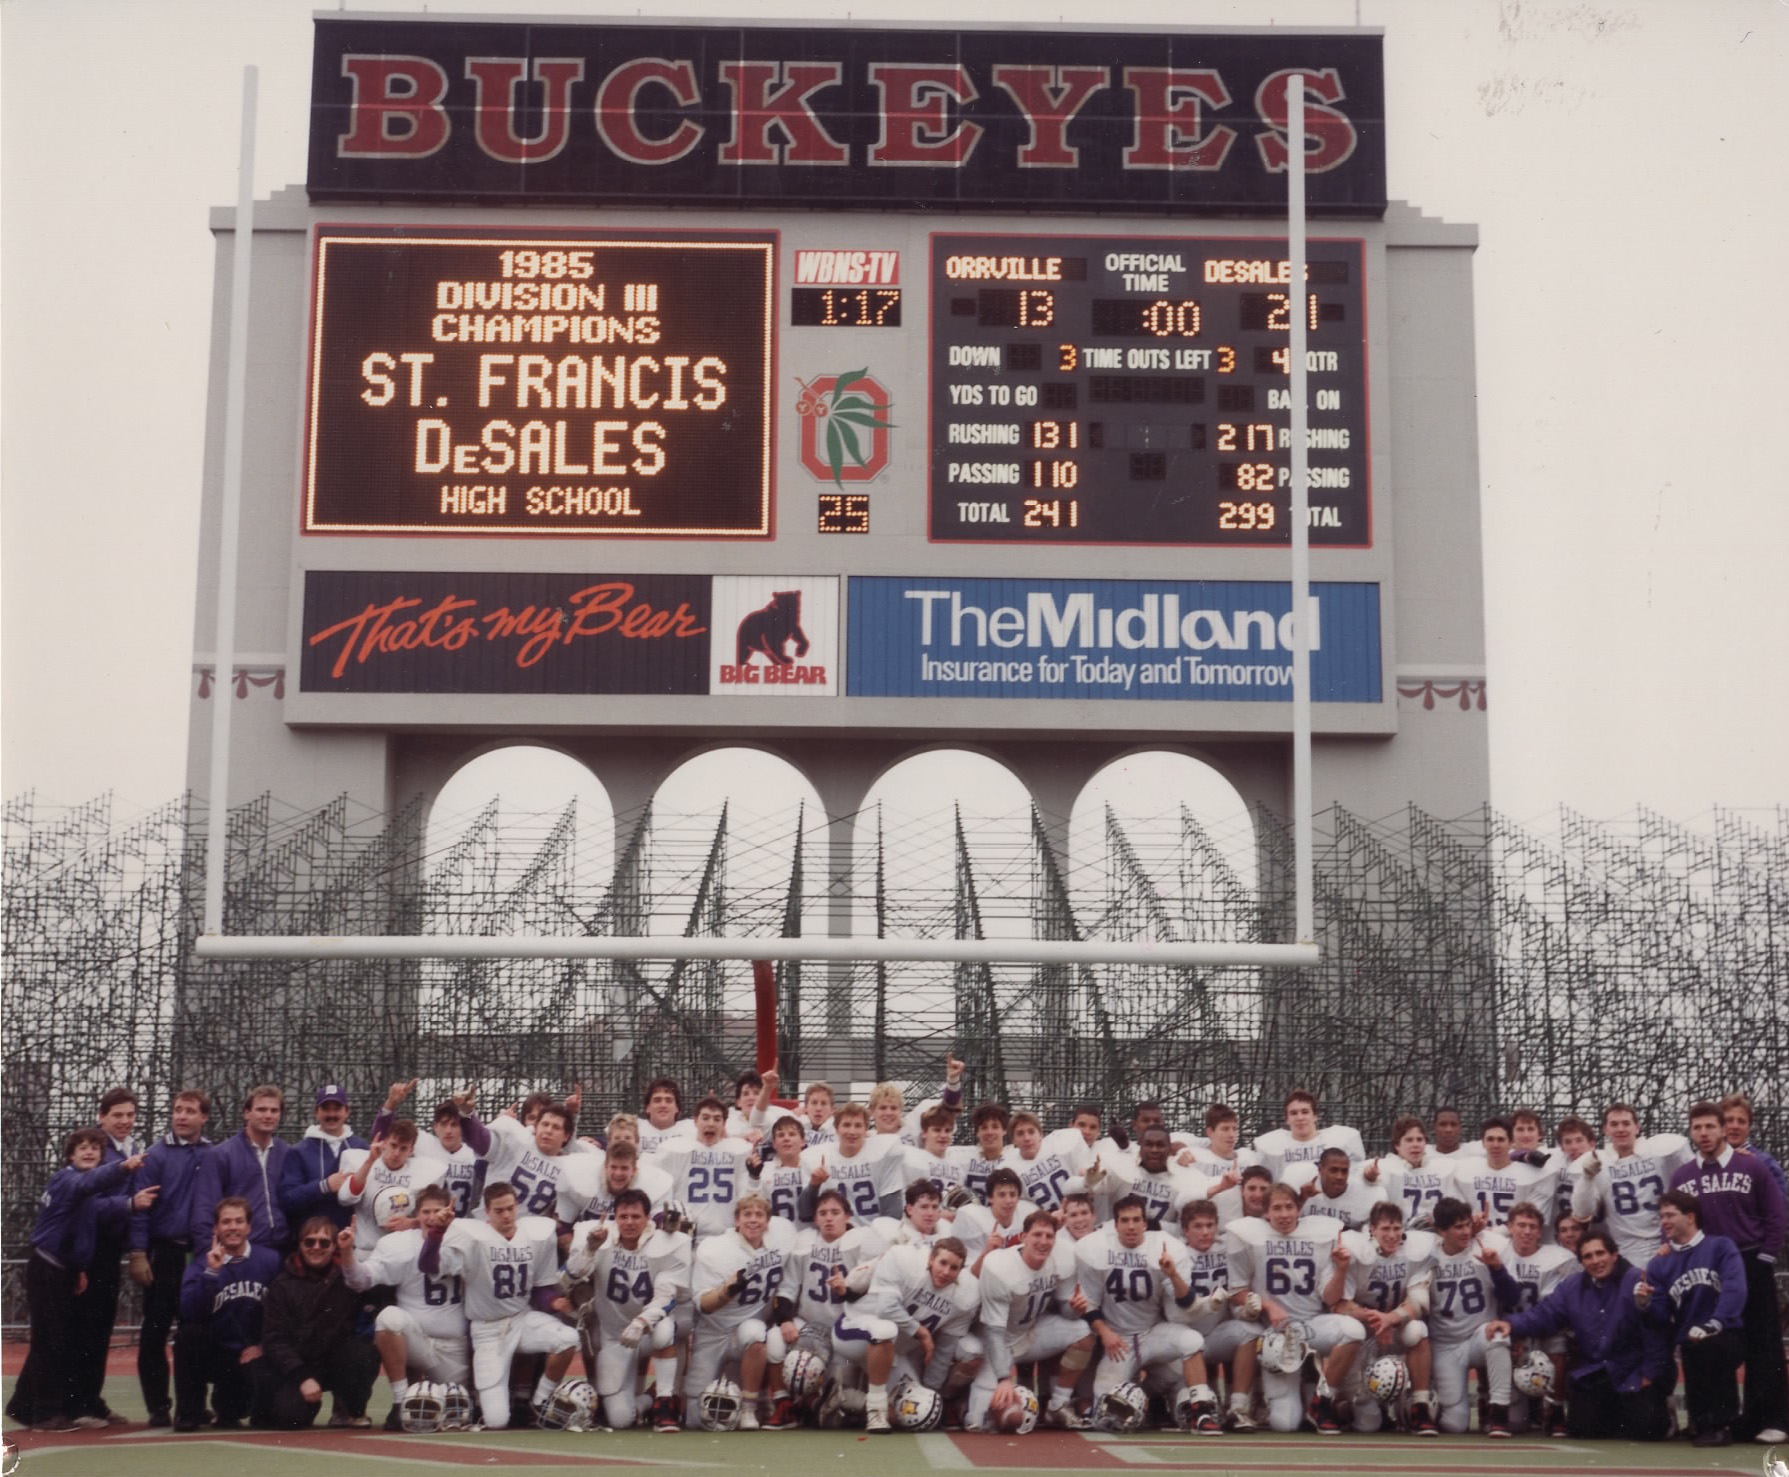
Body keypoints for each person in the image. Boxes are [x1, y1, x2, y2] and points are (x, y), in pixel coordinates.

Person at [6, 1130, 147, 1432]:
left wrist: (81, 1268)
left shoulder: (84, 1191)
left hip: (63, 1268)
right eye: (82, 1148)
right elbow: (89, 1183)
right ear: (70, 1155)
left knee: (55, 1338)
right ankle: (44, 1413)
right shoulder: (67, 1179)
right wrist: (122, 1167)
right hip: (47, 1267)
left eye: (95, 1149)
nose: (89, 1153)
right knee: (50, 1341)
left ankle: (22, 1405)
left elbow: (88, 1223)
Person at [1668, 1100, 1788, 1444]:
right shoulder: (1684, 1175)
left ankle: (1774, 1420)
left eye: (1710, 1127)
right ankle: (1717, 1420)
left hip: (1750, 1260)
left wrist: (1766, 1256)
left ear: (1723, 1130)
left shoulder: (1752, 1167)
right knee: (1710, 1341)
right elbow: (1675, 1220)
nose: (1704, 1134)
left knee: (1763, 1343)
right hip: (1708, 1268)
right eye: (1697, 1128)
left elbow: (1776, 1214)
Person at [421, 1179, 579, 1429]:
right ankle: (501, 1406)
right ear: (487, 1212)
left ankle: (540, 1402)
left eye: (510, 1208)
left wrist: (554, 1302)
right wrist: (437, 1233)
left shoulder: (533, 1236)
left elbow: (540, 1289)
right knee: (496, 1420)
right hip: (487, 1330)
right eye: (499, 1210)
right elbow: (429, 1267)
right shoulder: (472, 1238)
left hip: (521, 1318)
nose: (506, 1215)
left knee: (569, 1338)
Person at [1484, 1229, 1670, 1440]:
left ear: (1614, 1255)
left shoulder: (1637, 1280)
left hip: (1632, 1372)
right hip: (1597, 1373)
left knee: (1649, 1428)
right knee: (1582, 1428)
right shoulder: (1572, 1287)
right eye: (1588, 1256)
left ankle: (1659, 1407)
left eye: (1600, 1253)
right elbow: (1545, 1314)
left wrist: (1649, 1374)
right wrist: (1510, 1323)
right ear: (1581, 1261)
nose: (1595, 1261)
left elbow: (1658, 1329)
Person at [1223, 1183, 1364, 1434]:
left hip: (1311, 1325)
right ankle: (1305, 1378)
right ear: (1265, 1213)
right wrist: (1268, 1305)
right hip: (1276, 1334)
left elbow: (1331, 1298)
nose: (1284, 1214)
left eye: (1289, 1207)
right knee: (1285, 1424)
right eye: (1276, 1208)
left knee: (1353, 1331)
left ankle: (1323, 1400)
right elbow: (1236, 1292)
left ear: (1299, 1209)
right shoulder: (1250, 1237)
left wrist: (1341, 1269)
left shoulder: (1322, 1237)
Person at [1078, 1194, 1222, 1433]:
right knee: (1107, 1412)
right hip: (1119, 1340)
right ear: (1115, 1225)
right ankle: (1145, 1399)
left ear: (1145, 1223)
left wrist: (1173, 1274)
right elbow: (1088, 1303)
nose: (1131, 1226)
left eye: (1136, 1220)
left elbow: (1186, 1302)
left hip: (1152, 1332)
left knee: (1192, 1341)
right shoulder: (1096, 1248)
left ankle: (1201, 1411)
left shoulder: (1164, 1247)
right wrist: (1105, 1333)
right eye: (1125, 1220)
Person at [339, 1184, 471, 1428]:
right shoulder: (399, 1244)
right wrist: (347, 1253)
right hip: (417, 1342)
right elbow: (360, 1281)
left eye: (438, 1211)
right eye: (426, 1212)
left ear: (450, 1211)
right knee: (388, 1318)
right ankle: (401, 1401)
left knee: (461, 1409)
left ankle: (420, 1392)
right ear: (416, 1216)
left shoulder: (466, 1240)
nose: (432, 1217)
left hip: (455, 1348)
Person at [563, 1188, 692, 1433]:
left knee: (665, 1330)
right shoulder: (598, 1237)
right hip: (614, 1336)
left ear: (647, 1219)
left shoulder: (667, 1244)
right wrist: (589, 1249)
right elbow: (568, 1278)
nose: (629, 1222)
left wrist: (641, 1322)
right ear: (614, 1218)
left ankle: (666, 1401)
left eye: (636, 1216)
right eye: (623, 1217)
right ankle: (648, 1399)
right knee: (620, 1420)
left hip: (647, 1329)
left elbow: (667, 1298)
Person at [1636, 1189, 1749, 1448]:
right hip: (1690, 1339)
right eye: (1661, 1216)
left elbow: (1734, 1286)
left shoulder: (1720, 1246)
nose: (1663, 1221)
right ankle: (1701, 1421)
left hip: (1726, 1332)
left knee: (1711, 1345)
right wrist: (1646, 1304)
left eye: (1670, 1215)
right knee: (1695, 1346)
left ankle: (1720, 1424)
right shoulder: (1659, 1264)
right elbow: (1663, 1316)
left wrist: (1716, 1321)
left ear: (1690, 1217)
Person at [128, 1088, 213, 1427]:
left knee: (196, 1331)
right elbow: (140, 1211)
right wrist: (137, 1253)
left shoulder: (213, 1154)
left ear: (203, 1117)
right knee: (155, 1330)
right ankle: (158, 1406)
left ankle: (193, 1404)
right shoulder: (155, 1156)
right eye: (177, 1109)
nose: (181, 1116)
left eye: (190, 1110)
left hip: (201, 1254)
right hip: (165, 1252)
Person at [966, 1209, 1096, 1430]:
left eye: (1049, 1236)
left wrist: (1075, 1308)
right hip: (999, 1343)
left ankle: (1058, 1405)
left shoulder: (1062, 1257)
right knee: (983, 1422)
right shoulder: (1000, 1266)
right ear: (1023, 1237)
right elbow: (994, 1331)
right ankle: (964, 1403)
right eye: (1037, 1235)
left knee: (1082, 1331)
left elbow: (1066, 1311)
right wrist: (1003, 1379)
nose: (1043, 1241)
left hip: (1032, 1333)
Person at [832, 1237, 980, 1430]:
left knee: (916, 1412)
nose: (946, 1272)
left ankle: (844, 1400)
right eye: (942, 1263)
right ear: (930, 1259)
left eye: (954, 1268)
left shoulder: (966, 1295)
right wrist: (921, 1332)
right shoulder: (905, 1260)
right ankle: (875, 1411)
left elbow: (944, 1352)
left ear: (961, 1271)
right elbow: (886, 1309)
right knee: (886, 1329)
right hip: (855, 1332)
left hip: (893, 1355)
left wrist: (930, 1392)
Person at [249, 1217, 379, 1428]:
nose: (316, 1247)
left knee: (364, 1353)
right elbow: (275, 1340)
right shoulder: (282, 1285)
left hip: (336, 1361)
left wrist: (349, 1253)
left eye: (324, 1242)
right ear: (300, 1245)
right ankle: (303, 1404)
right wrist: (302, 1378)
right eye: (309, 1242)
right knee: (288, 1418)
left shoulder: (349, 1276)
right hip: (300, 1365)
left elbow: (376, 1294)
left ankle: (349, 1408)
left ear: (334, 1245)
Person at [1326, 1199, 1437, 1434]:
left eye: (1397, 1228)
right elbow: (1339, 1304)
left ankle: (1419, 1404)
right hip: (1363, 1335)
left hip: (1394, 1328)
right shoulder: (1355, 1250)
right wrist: (1375, 1319)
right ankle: (1343, 1404)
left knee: (1418, 1330)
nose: (1392, 1235)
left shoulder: (1415, 1252)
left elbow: (1418, 1302)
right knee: (1368, 1424)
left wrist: (1390, 1319)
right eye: (1385, 1229)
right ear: (1372, 1230)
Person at [173, 1197, 280, 1432]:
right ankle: (189, 1412)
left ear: (249, 1227)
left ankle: (226, 1406)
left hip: (253, 1353)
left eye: (239, 1221)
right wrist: (212, 1273)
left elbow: (283, 1312)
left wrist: (262, 1345)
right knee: (188, 1335)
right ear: (216, 1228)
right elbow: (189, 1312)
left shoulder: (270, 1260)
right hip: (217, 1352)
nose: (233, 1227)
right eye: (226, 1222)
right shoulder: (202, 1264)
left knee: (245, 1411)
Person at [685, 1193, 789, 1429]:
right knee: (694, 1418)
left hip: (746, 1332)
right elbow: (703, 1304)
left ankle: (751, 1409)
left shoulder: (780, 1241)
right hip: (714, 1332)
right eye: (747, 1215)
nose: (753, 1220)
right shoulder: (717, 1249)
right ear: (737, 1221)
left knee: (756, 1332)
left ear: (768, 1221)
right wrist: (726, 1291)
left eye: (759, 1215)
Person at [1424, 1196, 1514, 1436]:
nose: (1466, 1231)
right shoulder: (1427, 1255)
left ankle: (1498, 1413)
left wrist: (1497, 1269)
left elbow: (1512, 1297)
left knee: (1498, 1336)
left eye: (1467, 1224)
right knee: (1455, 1424)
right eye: (1458, 1227)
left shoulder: (1485, 1247)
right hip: (1445, 1344)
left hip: (1478, 1335)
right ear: (1441, 1231)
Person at [1569, 1102, 1692, 1265]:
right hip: (1627, 1248)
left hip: (1668, 1240)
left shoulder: (1659, 1151)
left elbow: (1693, 1175)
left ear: (1637, 1128)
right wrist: (1587, 1178)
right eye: (1614, 1124)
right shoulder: (1598, 1162)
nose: (1620, 1129)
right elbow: (1582, 1212)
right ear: (1605, 1129)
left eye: (1626, 1123)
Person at [189, 1084, 292, 1250]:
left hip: (282, 1248)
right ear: (247, 1113)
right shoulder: (221, 1155)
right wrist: (207, 1251)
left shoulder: (286, 1153)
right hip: (239, 1250)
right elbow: (205, 1208)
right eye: (261, 1110)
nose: (268, 1115)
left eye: (274, 1111)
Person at [797, 1102, 905, 1229]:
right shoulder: (818, 1157)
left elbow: (893, 1212)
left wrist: (880, 1238)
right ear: (836, 1129)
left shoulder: (883, 1153)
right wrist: (814, 1186)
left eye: (858, 1126)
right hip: (835, 1236)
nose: (852, 1131)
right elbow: (805, 1214)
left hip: (871, 1234)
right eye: (846, 1125)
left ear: (866, 1130)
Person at [279, 1084, 369, 1235]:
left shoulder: (361, 1147)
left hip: (353, 1241)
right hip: (314, 1243)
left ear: (347, 1111)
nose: (331, 1114)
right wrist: (324, 1186)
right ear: (316, 1112)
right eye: (326, 1108)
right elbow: (288, 1200)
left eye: (337, 1108)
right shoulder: (298, 1151)